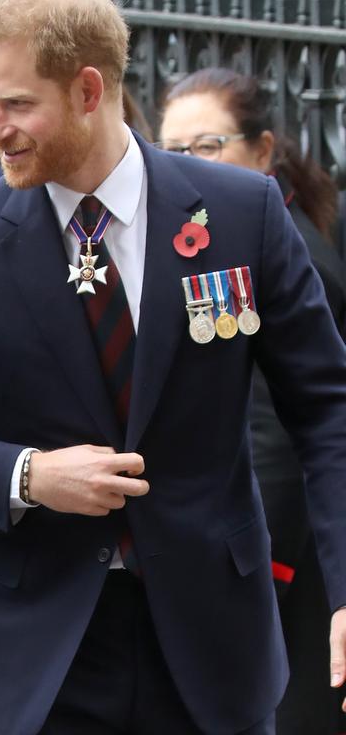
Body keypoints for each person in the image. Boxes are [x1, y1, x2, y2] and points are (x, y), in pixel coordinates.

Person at [0, 0, 346, 735]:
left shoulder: (241, 215)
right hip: (46, 653)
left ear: (90, 91)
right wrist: (27, 475)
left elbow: (327, 411)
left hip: (213, 642)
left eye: (17, 104)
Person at [0, 88, 155, 735]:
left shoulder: (212, 221)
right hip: (39, 587)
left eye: (15, 103)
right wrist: (16, 474)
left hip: (181, 602)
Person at [159, 67, 346, 735]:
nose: (185, 166)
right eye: (170, 151)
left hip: (289, 544)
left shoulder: (272, 249)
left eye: (206, 146)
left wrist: (247, 569)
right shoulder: (236, 232)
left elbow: (275, 423)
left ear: (263, 150)